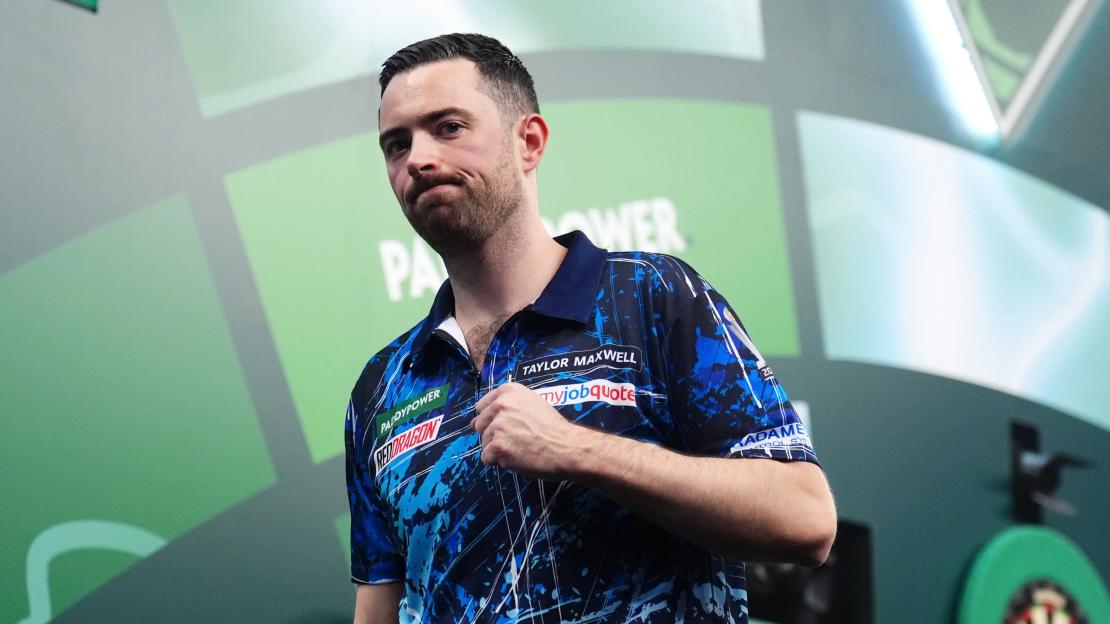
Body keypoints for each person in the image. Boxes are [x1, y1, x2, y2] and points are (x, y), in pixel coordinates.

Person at [346, 33, 837, 624]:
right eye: (397, 144)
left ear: (529, 142)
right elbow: (381, 602)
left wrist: (575, 449)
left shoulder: (652, 296)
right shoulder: (383, 387)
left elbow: (805, 520)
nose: (419, 159)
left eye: (448, 127)